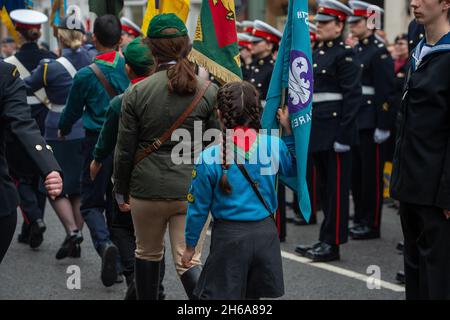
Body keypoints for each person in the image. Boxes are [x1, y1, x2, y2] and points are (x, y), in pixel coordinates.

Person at [113, 13, 218, 300]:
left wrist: (120, 189)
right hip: (191, 188)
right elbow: (216, 147)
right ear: (186, 45)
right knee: (189, 262)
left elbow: (125, 149)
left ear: (150, 49)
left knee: (146, 253)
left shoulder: (136, 91)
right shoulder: (208, 91)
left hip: (146, 189)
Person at [181, 81, 295, 299]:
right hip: (266, 234)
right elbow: (292, 169)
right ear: (257, 111)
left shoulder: (209, 156)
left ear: (219, 115)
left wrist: (190, 246)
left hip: (229, 238)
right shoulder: (274, 145)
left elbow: (198, 209)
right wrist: (288, 133)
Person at [90, 37, 166, 300]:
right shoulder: (169, 94)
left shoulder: (121, 101)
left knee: (121, 226)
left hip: (130, 173)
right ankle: (157, 286)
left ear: (128, 69)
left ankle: (136, 277)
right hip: (164, 174)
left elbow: (107, 140)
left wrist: (97, 160)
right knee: (155, 237)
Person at [58, 14, 130, 287]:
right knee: (118, 201)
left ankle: (104, 245)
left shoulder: (86, 75)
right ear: (121, 39)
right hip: (126, 143)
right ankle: (122, 260)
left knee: (90, 202)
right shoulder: (129, 67)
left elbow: (71, 112)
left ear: (94, 39)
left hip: (96, 143)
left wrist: (63, 129)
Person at [391, 0, 450, 300]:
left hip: (436, 193)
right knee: (414, 276)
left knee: (438, 280)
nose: (413, 2)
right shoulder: (421, 49)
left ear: (445, 4)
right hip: (410, 185)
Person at [295, 0, 362, 262]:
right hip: (319, 130)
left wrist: (344, 137)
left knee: (336, 191)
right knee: (324, 190)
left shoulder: (344, 54)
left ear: (339, 25)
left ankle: (332, 243)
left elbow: (352, 97)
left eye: (325, 23)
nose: (319, 26)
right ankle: (325, 237)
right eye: (318, 21)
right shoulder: (320, 52)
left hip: (336, 133)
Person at [25, 16, 92, 260]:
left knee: (55, 185)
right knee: (78, 187)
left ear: (60, 36)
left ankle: (72, 231)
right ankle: (75, 233)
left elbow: (25, 85)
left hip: (57, 132)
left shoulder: (48, 67)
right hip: (85, 129)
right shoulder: (92, 60)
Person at [0, 60, 63, 264]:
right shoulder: (6, 73)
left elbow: (22, 125)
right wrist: (48, 166)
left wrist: (49, 167)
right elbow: (23, 125)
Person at [5, 9, 57, 249]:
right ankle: (37, 218)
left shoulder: (10, 65)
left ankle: (33, 218)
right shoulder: (52, 60)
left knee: (20, 176)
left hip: (16, 122)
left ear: (18, 32)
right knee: (40, 174)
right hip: (44, 120)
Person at [348, 1, 395, 240]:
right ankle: (360, 217)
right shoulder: (358, 49)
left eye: (356, 21)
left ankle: (372, 222)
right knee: (357, 174)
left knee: (371, 176)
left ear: (370, 22)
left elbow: (385, 91)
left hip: (372, 121)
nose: (351, 26)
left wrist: (383, 124)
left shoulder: (379, 50)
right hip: (358, 119)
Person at [247, 20, 282, 103]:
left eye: (255, 42)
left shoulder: (273, 69)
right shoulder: (254, 65)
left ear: (269, 46)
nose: (251, 45)